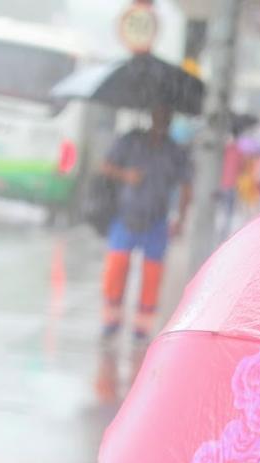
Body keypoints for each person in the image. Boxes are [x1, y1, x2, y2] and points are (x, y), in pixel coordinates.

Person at [99, 105, 193, 343]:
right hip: (125, 217)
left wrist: (181, 219)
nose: (162, 120)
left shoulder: (175, 151)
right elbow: (106, 166)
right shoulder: (130, 141)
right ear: (151, 115)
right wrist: (126, 175)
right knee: (116, 269)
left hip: (157, 222)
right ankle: (111, 321)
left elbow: (186, 187)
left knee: (152, 275)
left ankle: (142, 328)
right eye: (159, 114)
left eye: (167, 116)